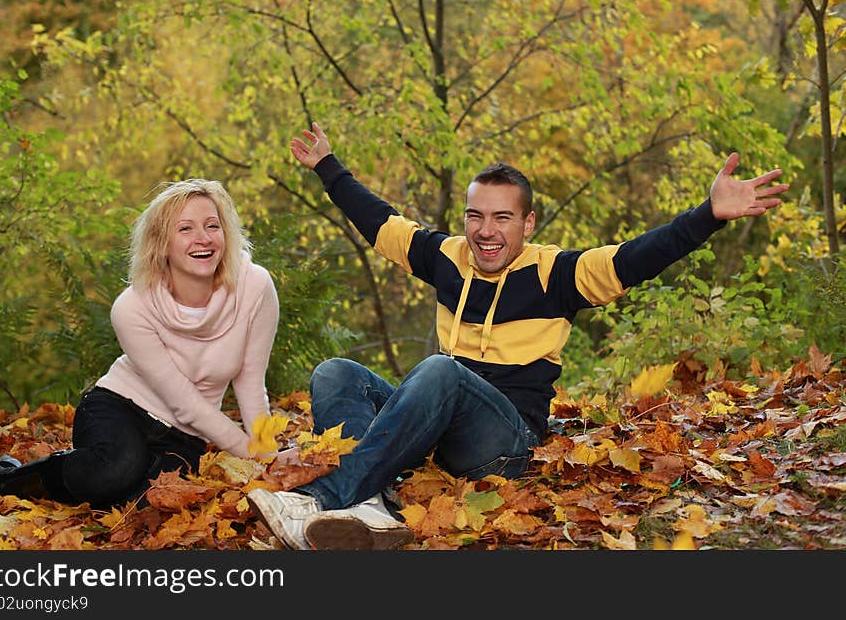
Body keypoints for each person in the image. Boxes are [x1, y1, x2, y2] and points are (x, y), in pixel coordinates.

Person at [247, 122, 788, 550]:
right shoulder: (446, 258)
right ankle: (371, 509)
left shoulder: (557, 273)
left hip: (503, 447)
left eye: (503, 218)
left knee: (439, 371)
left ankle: (323, 499)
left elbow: (636, 257)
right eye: (475, 217)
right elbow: (380, 221)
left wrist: (709, 215)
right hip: (439, 438)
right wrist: (326, 166)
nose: (486, 231)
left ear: (527, 225)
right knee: (335, 372)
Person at [0, 178, 280, 508]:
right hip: (120, 407)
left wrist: (267, 457)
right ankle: (2, 481)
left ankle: (77, 480)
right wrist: (247, 451)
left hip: (187, 435)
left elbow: (250, 382)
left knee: (139, 506)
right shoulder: (132, 307)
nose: (203, 238)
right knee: (114, 470)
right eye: (185, 228)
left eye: (212, 225)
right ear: (161, 244)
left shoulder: (255, 286)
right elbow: (185, 402)